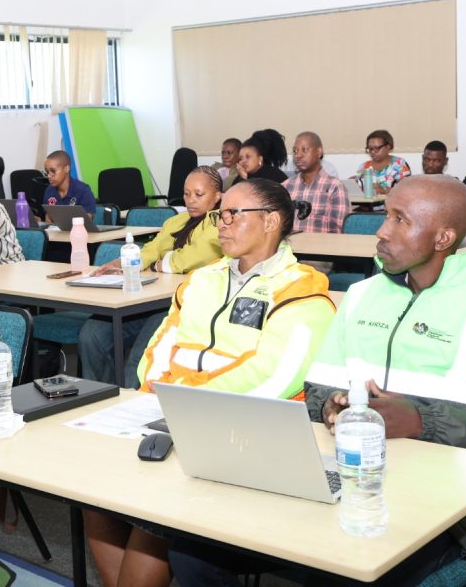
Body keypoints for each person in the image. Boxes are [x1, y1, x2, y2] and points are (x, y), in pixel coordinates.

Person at [169, 175, 466, 586]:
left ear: (443, 238)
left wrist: (421, 420)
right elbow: (315, 392)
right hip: (345, 476)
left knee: (345, 566)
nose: (381, 232)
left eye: (400, 220)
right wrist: (332, 405)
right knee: (193, 548)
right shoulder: (363, 295)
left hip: (446, 507)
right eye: (386, 216)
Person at [83, 179, 335, 587]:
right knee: (92, 487)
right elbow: (161, 345)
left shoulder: (302, 290)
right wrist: (159, 396)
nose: (222, 223)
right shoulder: (204, 279)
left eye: (235, 213)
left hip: (248, 429)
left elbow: (272, 378)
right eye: (222, 214)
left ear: (271, 221)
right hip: (172, 412)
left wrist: (187, 403)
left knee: (159, 507)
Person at [77, 166, 224, 386]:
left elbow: (192, 257)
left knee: (141, 358)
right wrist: (123, 263)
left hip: (183, 306)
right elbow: (151, 249)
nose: (191, 200)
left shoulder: (219, 222)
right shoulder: (177, 221)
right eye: (186, 194)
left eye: (199, 194)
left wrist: (156, 265)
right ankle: (103, 397)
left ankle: (131, 403)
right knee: (92, 336)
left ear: (217, 196)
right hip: (149, 301)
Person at [283, 131, 350, 233]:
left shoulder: (335, 187)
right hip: (290, 243)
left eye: (304, 150)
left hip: (323, 243)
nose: (298, 155)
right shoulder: (286, 186)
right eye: (295, 151)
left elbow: (338, 230)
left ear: (319, 152)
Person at [353, 129, 411, 194]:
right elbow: (358, 188)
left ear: (388, 146)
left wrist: (385, 190)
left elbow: (406, 190)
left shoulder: (399, 164)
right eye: (370, 149)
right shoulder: (364, 166)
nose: (373, 152)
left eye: (377, 148)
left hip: (391, 200)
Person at [42, 149, 96, 214]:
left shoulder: (83, 190)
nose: (49, 176)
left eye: (53, 171)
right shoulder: (49, 191)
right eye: (47, 172)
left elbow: (87, 218)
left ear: (66, 169)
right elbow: (48, 216)